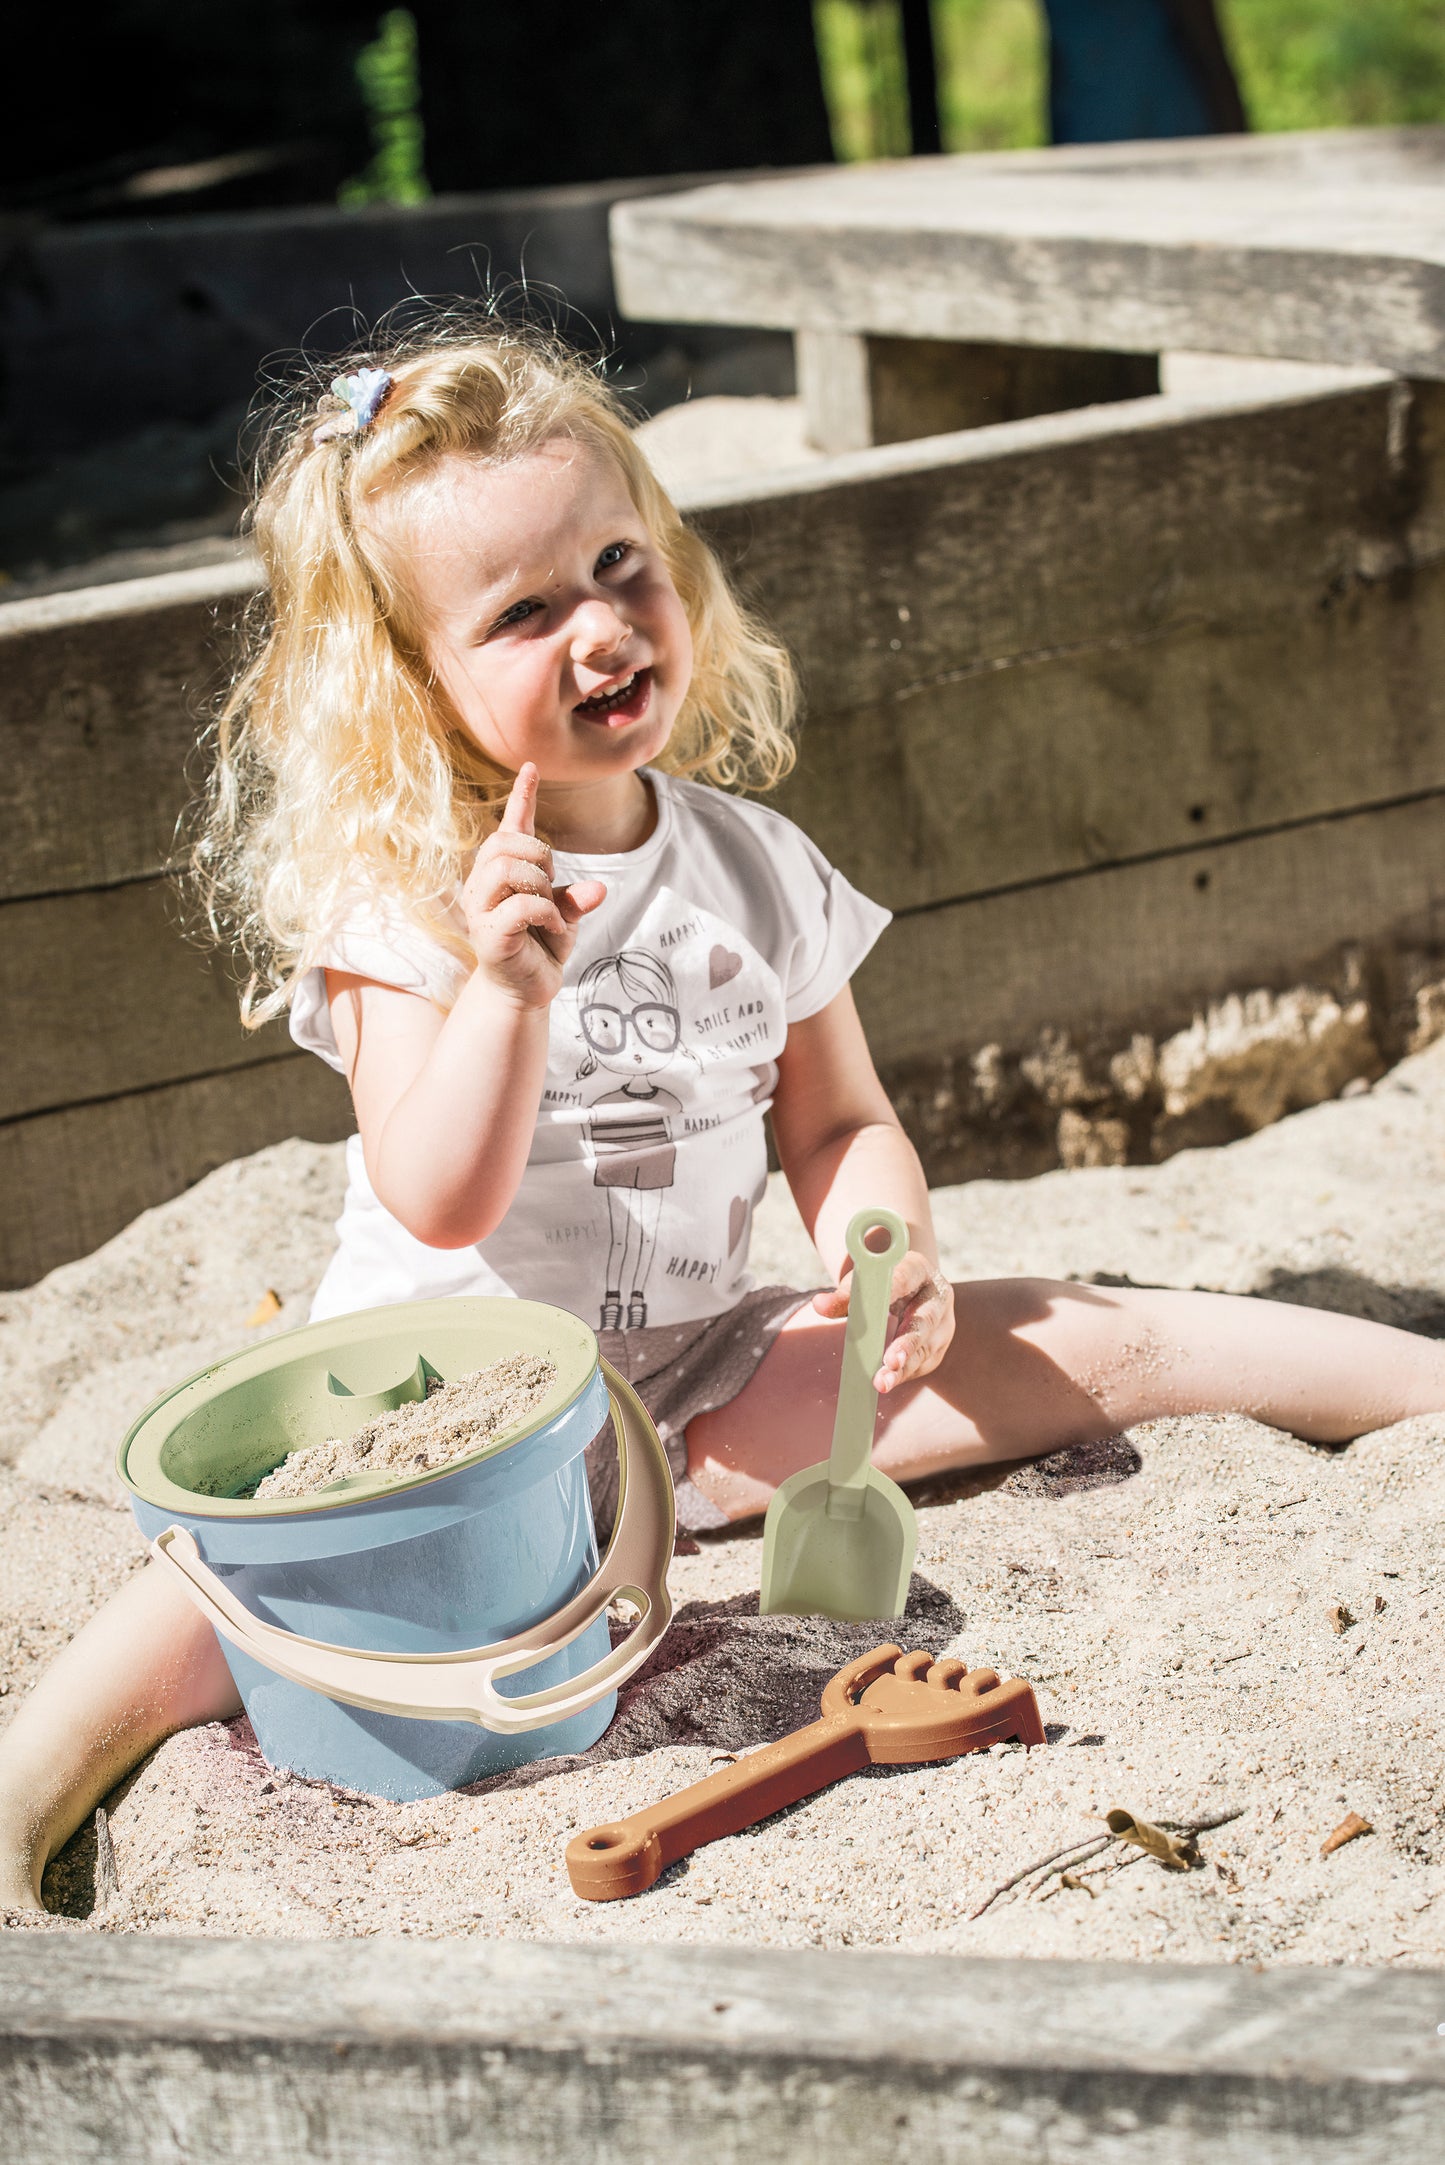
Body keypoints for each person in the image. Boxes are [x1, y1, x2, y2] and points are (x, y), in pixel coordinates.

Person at [3, 324, 1442, 1914]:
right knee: (221, 1591)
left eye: (620, 564)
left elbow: (834, 1121)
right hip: (463, 1416)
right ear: (415, 676)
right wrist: (501, 988)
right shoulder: (406, 902)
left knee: (1096, 1339)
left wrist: (881, 1233)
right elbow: (437, 1197)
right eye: (523, 611)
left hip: (702, 1382)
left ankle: (1419, 1385)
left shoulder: (748, 865)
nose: (600, 625)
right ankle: (25, 1796)